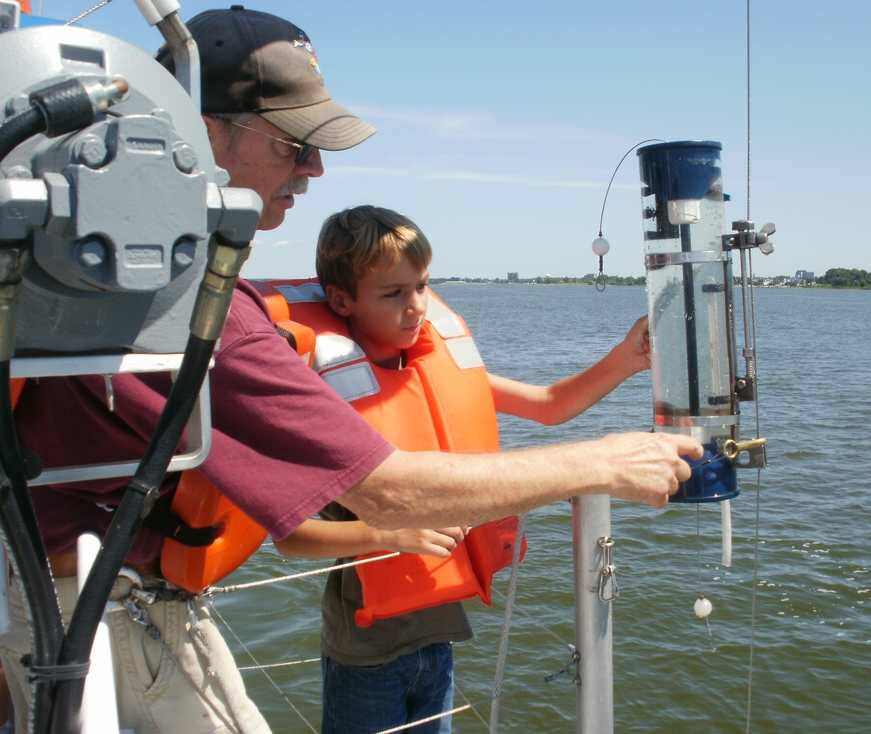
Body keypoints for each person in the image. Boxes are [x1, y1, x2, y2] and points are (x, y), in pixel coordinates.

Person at [0, 6, 700, 734]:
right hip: (99, 612)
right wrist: (610, 463)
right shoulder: (183, 306)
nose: (314, 168)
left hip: (66, 592)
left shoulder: (88, 276)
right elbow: (389, 494)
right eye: (293, 143)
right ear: (206, 132)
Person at [270, 205, 653, 734]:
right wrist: (388, 530)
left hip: (439, 639)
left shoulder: (443, 371)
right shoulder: (325, 397)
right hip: (365, 652)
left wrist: (626, 359)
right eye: (394, 293)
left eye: (422, 286)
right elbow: (289, 534)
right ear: (340, 301)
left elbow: (549, 404)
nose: (416, 307)